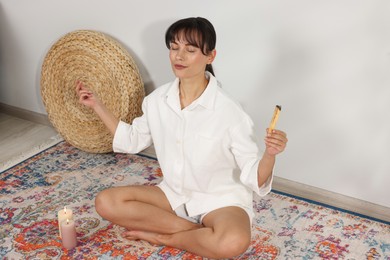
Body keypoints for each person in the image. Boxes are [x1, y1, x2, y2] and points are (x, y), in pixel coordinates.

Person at [76, 17, 287, 259]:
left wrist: (270, 155)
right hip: (173, 194)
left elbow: (255, 177)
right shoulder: (157, 100)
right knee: (106, 202)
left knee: (233, 242)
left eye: (190, 50)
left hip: (220, 200)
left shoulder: (231, 112)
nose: (179, 56)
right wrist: (97, 106)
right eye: (174, 48)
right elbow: (131, 140)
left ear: (210, 56)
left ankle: (165, 236)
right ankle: (198, 234)